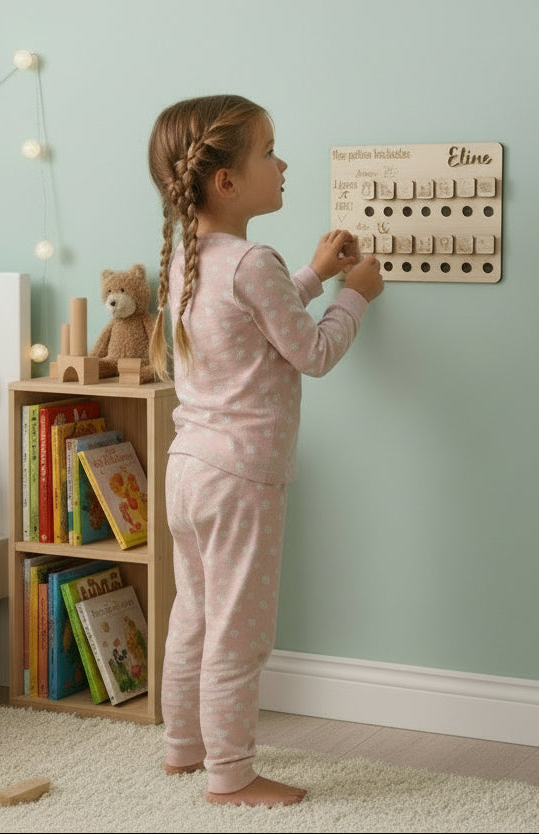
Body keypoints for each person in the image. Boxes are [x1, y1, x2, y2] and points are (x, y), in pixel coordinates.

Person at [146, 94, 384, 807]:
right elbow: (307, 351)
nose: (283, 165)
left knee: (192, 615)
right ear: (225, 180)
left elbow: (252, 326)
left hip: (189, 469)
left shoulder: (190, 258)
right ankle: (232, 775)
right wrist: (356, 296)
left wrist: (312, 274)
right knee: (237, 636)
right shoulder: (252, 260)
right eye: (269, 152)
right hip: (242, 477)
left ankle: (182, 750)